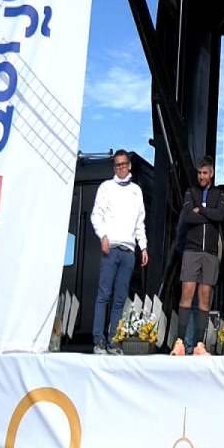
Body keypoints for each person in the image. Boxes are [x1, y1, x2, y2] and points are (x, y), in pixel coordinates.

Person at [90, 150, 148, 355]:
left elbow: (140, 222)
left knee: (120, 299)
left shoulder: (136, 191)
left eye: (124, 164)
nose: (121, 167)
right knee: (104, 295)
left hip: (128, 251)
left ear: (129, 166)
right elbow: (96, 215)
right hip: (111, 248)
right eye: (117, 165)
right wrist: (103, 236)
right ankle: (98, 341)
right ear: (114, 167)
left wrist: (143, 246)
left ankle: (113, 342)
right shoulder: (106, 187)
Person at [171, 157, 224, 356]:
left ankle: (199, 345)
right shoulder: (190, 192)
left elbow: (220, 215)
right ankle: (179, 342)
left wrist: (201, 210)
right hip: (192, 250)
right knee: (187, 293)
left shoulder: (219, 194)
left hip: (210, 252)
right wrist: (208, 215)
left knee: (204, 296)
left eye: (204, 173)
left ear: (211, 174)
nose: (201, 176)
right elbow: (187, 216)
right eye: (199, 173)